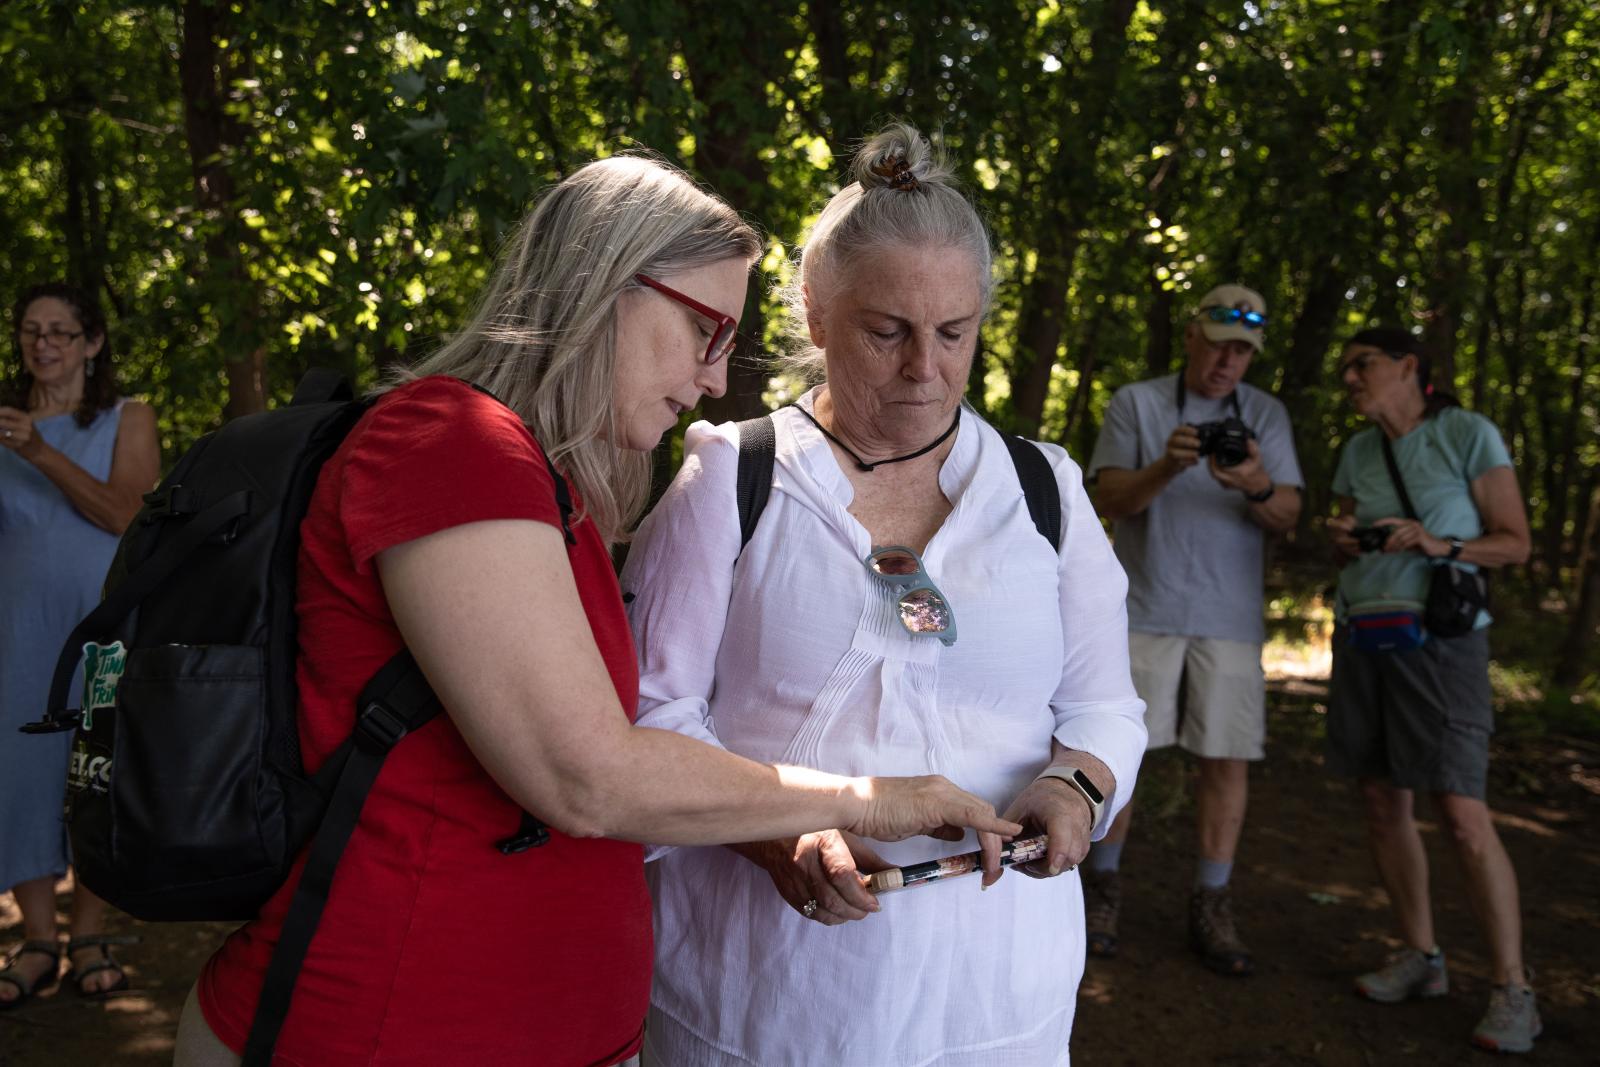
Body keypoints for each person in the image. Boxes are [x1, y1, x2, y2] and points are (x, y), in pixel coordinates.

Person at [172, 153, 1019, 1067]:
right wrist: (875, 798)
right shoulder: (448, 441)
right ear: (606, 283)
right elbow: (586, 777)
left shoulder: (545, 482)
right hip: (385, 1023)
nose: (711, 378)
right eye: (703, 329)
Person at [620, 123, 1147, 1066]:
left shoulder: (1043, 491)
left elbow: (1106, 706)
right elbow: (654, 718)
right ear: (817, 314)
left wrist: (1076, 785)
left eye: (955, 332)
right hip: (767, 995)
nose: (926, 368)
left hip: (997, 995)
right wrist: (778, 833)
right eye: (887, 331)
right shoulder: (733, 482)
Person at [1325, 327, 1537, 1054]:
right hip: (1363, 635)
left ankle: (1514, 987)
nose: (1350, 377)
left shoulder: (1466, 433)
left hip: (1441, 645)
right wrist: (1348, 538)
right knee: (1383, 799)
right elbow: (1345, 530)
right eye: (1345, 367)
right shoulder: (1357, 449)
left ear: (1410, 367)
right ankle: (1422, 955)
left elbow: (1515, 541)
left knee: (1461, 809)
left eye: (1364, 364)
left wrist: (1437, 543)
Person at [1084, 283, 1303, 975]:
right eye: (1219, 344)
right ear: (1192, 336)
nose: (1228, 362)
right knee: (1121, 756)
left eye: (1242, 351)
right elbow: (1106, 498)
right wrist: (1167, 465)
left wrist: (1257, 484)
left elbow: (1289, 513)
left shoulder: (1265, 416)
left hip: (1229, 619)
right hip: (1143, 608)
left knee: (1226, 760)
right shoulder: (1140, 403)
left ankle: (1213, 898)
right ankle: (1100, 888)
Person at [1, 283, 160, 1009]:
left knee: (93, 773)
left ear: (93, 343)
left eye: (62, 332)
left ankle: (90, 932)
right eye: (32, 331)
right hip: (15, 628)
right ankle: (36, 939)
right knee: (21, 775)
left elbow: (127, 514)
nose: (44, 345)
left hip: (100, 628)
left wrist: (38, 451)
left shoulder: (130, 418)